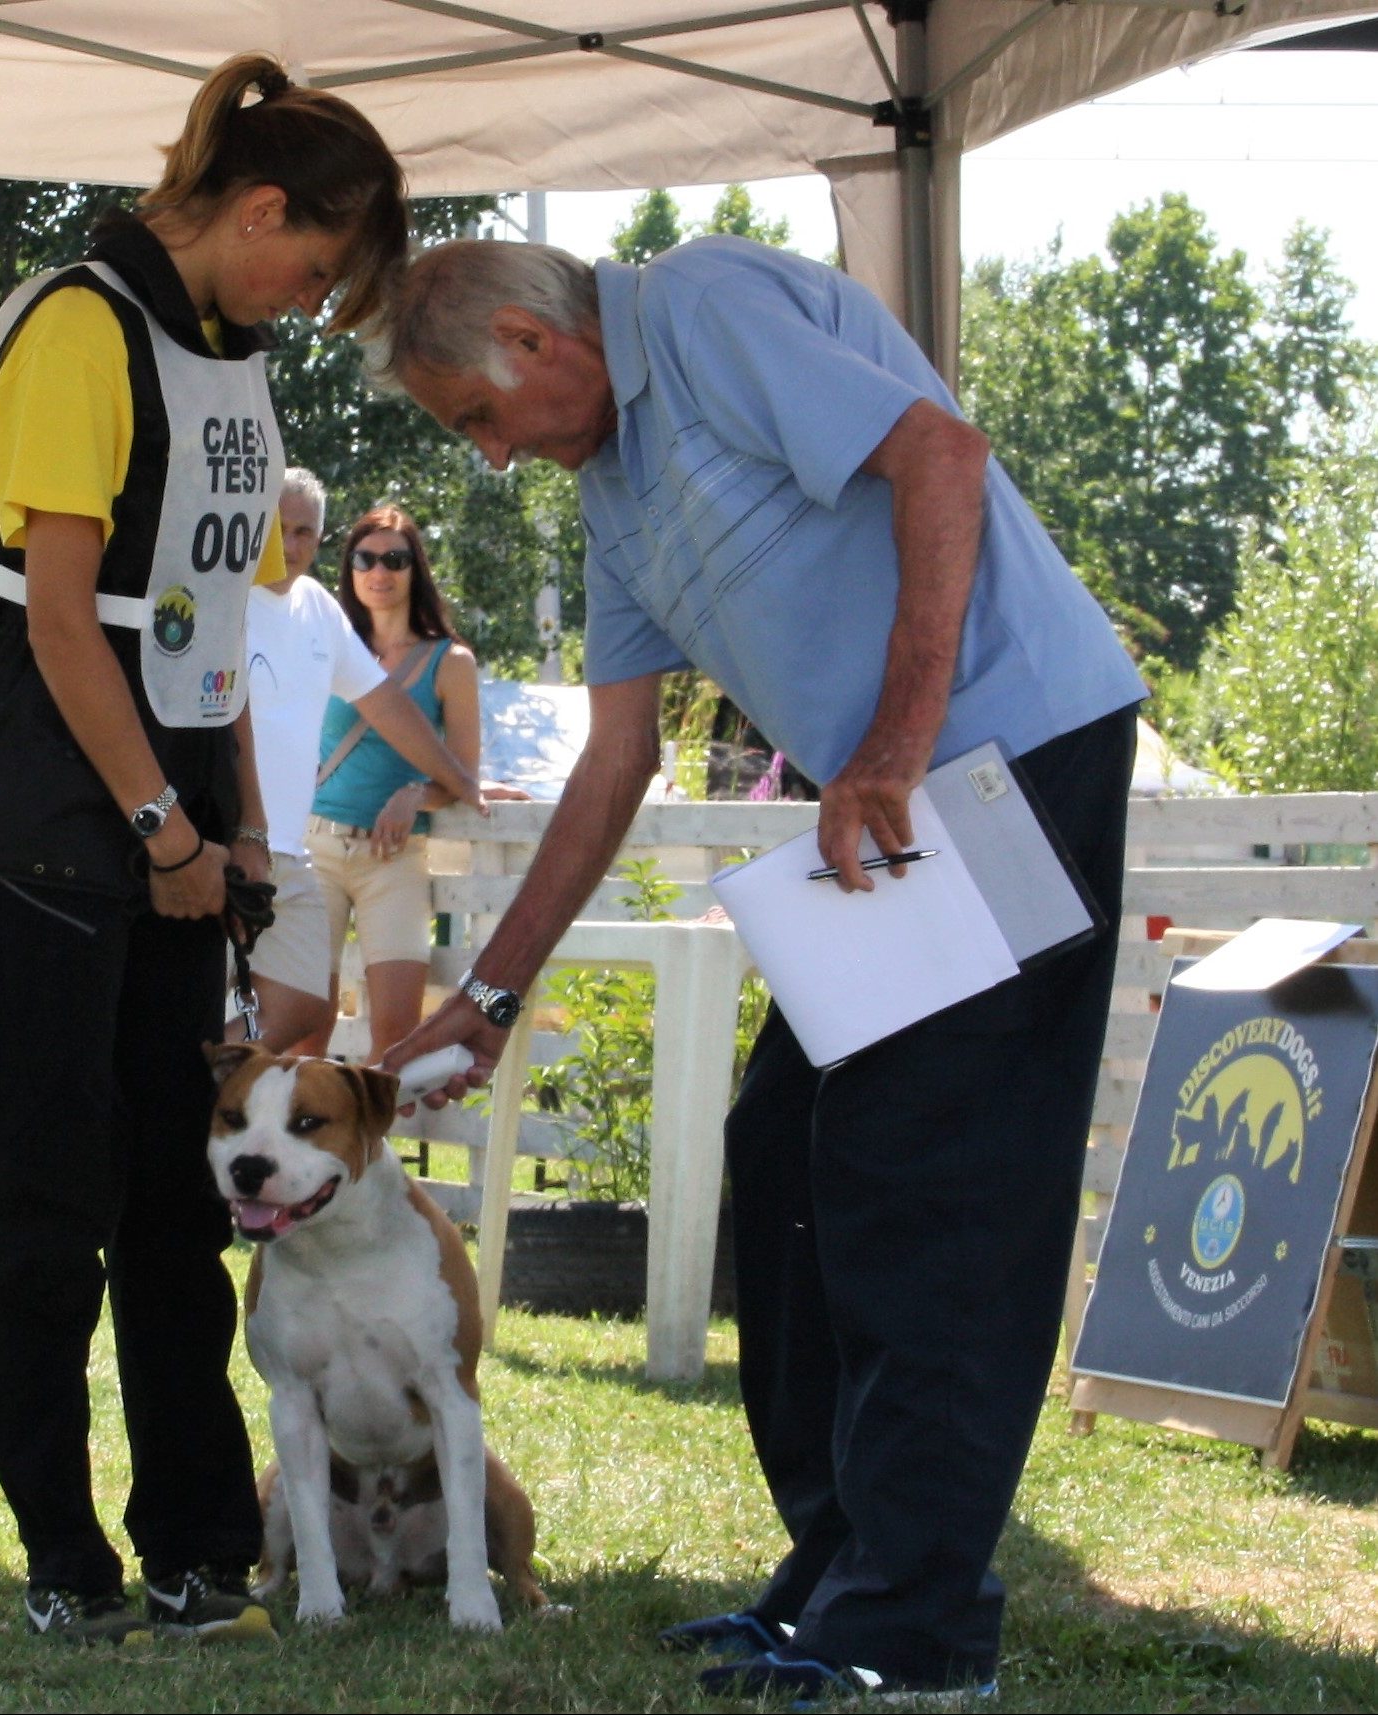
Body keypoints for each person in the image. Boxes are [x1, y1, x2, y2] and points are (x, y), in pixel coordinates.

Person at [367, 235, 1146, 1699]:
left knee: (930, 1177)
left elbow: (938, 453)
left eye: (472, 418)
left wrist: (892, 749)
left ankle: (911, 1633)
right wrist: (484, 1001)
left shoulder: (706, 308)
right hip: (909, 791)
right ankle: (838, 1577)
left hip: (1003, 758)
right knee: (783, 1149)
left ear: (536, 342)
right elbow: (613, 760)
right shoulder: (608, 487)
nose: (484, 458)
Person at [0, 54, 407, 1645]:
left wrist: (237, 827)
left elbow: (214, 628)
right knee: (48, 1204)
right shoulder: (75, 323)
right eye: (312, 266)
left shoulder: (233, 363)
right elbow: (60, 614)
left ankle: (195, 1545)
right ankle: (65, 1560)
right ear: (258, 210)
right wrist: (159, 824)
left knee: (193, 1199)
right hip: (48, 805)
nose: (310, 301)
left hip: (175, 797)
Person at [238, 466, 485, 1050]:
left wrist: (459, 783)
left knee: (304, 1010)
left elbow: (388, 706)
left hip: (309, 857)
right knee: (283, 1013)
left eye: (305, 532)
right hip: (241, 841)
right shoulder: (226, 603)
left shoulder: (317, 610)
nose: (290, 545)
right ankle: (193, 1099)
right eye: (278, 528)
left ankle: (203, 1092)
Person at [295, 505, 490, 1064]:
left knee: (396, 1034)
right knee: (307, 1027)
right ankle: (307, 1150)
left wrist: (416, 794)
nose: (379, 572)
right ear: (350, 569)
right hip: (318, 848)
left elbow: (461, 772)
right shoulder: (327, 643)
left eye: (394, 559)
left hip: (395, 855)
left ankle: (372, 1151)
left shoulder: (450, 662)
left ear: (415, 570)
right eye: (365, 559)